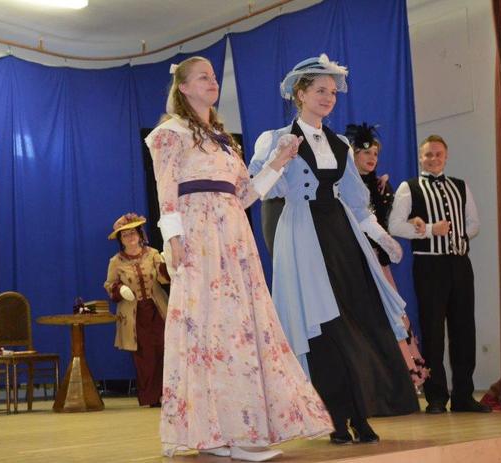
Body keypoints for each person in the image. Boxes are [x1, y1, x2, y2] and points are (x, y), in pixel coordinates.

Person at [146, 56, 331, 462]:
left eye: (214, 76)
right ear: (184, 88)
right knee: (209, 330)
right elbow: (165, 190)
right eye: (204, 77)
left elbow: (244, 195)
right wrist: (173, 238)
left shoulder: (223, 140)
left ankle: (231, 431)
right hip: (199, 237)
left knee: (238, 331)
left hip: (233, 239)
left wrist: (279, 162)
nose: (213, 82)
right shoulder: (170, 134)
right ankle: (222, 434)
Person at [249, 54, 419, 445]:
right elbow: (263, 189)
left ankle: (361, 413)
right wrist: (279, 159)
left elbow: (357, 203)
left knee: (357, 323)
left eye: (332, 92)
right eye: (320, 90)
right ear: (300, 93)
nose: (328, 97)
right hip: (302, 236)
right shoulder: (274, 138)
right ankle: (337, 419)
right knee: (322, 332)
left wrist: (382, 236)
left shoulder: (340, 144)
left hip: (342, 236)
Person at [388, 134, 491, 414]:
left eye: (438, 154)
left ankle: (464, 396)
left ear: (446, 157)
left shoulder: (460, 186)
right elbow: (394, 225)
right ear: (421, 158)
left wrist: (455, 234)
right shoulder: (409, 188)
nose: (433, 159)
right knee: (433, 330)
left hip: (460, 265)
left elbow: (474, 224)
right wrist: (432, 230)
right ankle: (436, 397)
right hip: (429, 266)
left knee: (464, 330)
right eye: (428, 154)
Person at [345, 122, 429, 387]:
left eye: (376, 154)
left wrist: (413, 220)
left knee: (389, 316)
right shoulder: (341, 187)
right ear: (353, 154)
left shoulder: (381, 187)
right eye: (366, 152)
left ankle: (398, 381)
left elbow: (391, 222)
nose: (372, 158)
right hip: (353, 263)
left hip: (378, 264)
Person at [104, 213, 169, 408]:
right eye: (125, 235)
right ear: (120, 240)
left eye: (133, 233)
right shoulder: (116, 261)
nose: (130, 237)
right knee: (144, 356)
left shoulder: (153, 253)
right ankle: (151, 397)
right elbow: (109, 284)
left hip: (157, 310)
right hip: (134, 316)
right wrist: (120, 289)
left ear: (140, 235)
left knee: (164, 350)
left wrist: (166, 265)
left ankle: (168, 394)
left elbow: (164, 279)